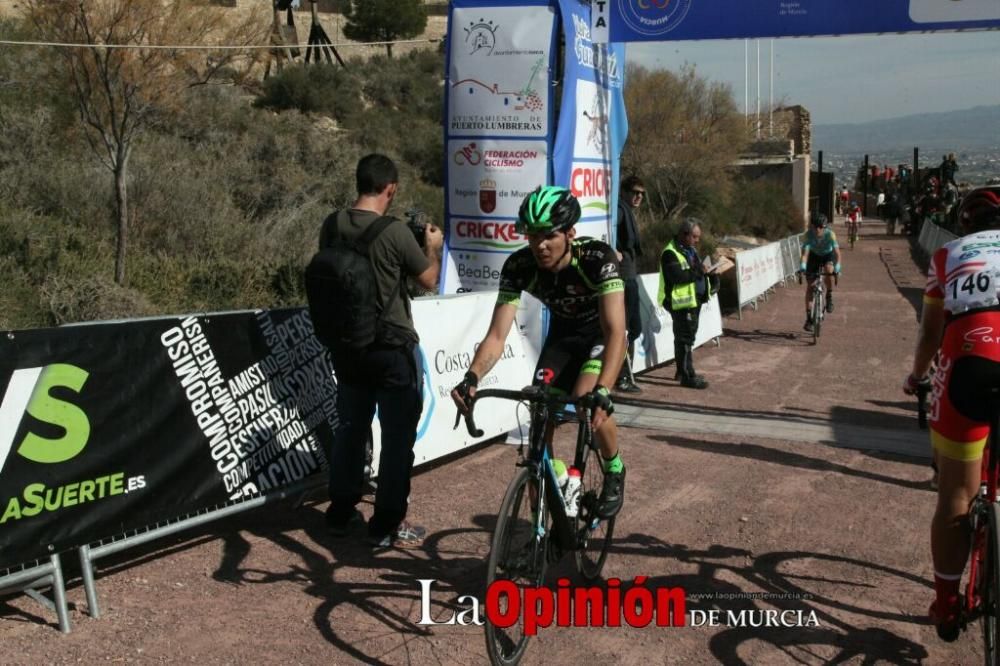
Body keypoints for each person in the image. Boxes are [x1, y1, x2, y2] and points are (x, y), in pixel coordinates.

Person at [451, 186, 628, 519]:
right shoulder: (519, 265)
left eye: (548, 236)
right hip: (561, 339)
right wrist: (472, 376)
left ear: (570, 233)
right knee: (536, 439)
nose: (539, 245)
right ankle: (540, 535)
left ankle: (614, 467)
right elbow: (496, 334)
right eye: (532, 236)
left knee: (585, 399)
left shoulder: (596, 258)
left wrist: (604, 389)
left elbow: (616, 331)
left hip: (599, 335)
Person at [322, 153, 444, 548]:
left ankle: (340, 512)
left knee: (350, 429)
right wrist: (432, 246)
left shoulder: (332, 225)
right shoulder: (394, 233)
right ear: (390, 189)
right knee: (396, 438)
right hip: (391, 348)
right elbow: (428, 280)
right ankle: (386, 523)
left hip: (348, 346)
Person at [902, 185, 1000, 642]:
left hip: (969, 362)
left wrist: (917, 375)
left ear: (964, 223)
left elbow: (930, 333)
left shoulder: (948, 256)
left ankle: (946, 604)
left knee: (955, 496)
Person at [659, 218, 720, 390]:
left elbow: (696, 271)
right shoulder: (670, 253)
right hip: (681, 303)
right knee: (685, 339)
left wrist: (710, 273)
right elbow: (678, 277)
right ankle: (687, 375)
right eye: (694, 237)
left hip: (693, 301)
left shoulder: (690, 250)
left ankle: (684, 371)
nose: (697, 240)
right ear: (684, 235)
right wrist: (699, 271)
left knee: (687, 338)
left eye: (698, 237)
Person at [615, 175, 645, 393]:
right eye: (635, 192)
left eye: (642, 194)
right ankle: (622, 377)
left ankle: (624, 375)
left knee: (633, 329)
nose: (638, 197)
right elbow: (609, 230)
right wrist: (612, 250)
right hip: (623, 278)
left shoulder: (627, 212)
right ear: (624, 191)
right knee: (626, 329)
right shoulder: (618, 209)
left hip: (630, 276)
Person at [799, 212, 841, 332]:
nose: (817, 229)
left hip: (828, 255)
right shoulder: (808, 235)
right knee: (810, 287)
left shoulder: (830, 234)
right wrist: (802, 265)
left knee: (828, 271)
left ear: (825, 227)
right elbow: (805, 254)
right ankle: (809, 319)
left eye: (820, 227)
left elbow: (837, 253)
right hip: (813, 256)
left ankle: (829, 296)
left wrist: (838, 265)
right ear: (811, 226)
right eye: (815, 226)